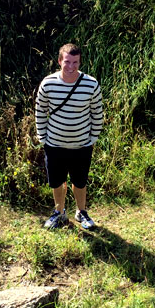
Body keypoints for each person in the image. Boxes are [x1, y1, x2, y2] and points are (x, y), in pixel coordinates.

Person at [35, 43, 103, 230]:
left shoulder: (91, 84)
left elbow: (97, 113)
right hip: (54, 144)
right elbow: (40, 111)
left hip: (81, 145)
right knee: (57, 182)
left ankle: (81, 212)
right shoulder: (48, 83)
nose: (71, 67)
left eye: (75, 62)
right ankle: (59, 212)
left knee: (79, 182)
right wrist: (43, 137)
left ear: (80, 62)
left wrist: (93, 139)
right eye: (67, 62)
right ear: (59, 61)